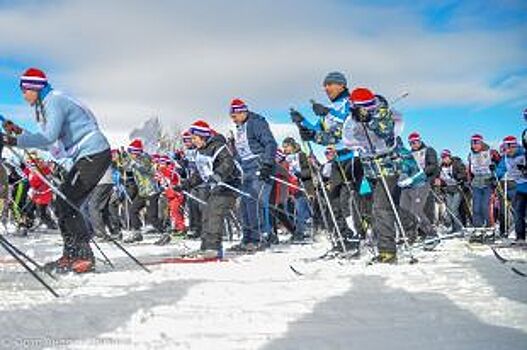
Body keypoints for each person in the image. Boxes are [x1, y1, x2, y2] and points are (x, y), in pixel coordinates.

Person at [1, 68, 111, 273]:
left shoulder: (53, 101)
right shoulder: (47, 103)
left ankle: (84, 256)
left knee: (67, 202)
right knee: (62, 203)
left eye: (24, 90)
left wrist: (11, 140)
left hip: (94, 154)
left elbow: (48, 138)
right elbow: (50, 145)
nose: (23, 95)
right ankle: (71, 254)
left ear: (34, 87)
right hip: (87, 155)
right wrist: (19, 133)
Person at [292, 71, 363, 253]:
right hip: (339, 160)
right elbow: (319, 132)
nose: (326, 88)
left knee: (356, 201)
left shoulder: (350, 102)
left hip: (356, 157)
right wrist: (303, 123)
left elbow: (353, 123)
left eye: (330, 84)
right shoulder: (327, 111)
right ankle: (344, 240)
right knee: (334, 202)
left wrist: (328, 111)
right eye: (325, 85)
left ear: (342, 85)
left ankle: (367, 236)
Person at [342, 87, 411, 263]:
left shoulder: (383, 112)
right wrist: (313, 134)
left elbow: (386, 131)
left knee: (381, 206)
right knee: (382, 206)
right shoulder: (353, 117)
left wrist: (370, 119)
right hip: (370, 168)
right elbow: (343, 136)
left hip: (388, 166)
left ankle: (388, 251)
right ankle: (407, 227)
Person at [178, 120, 240, 258]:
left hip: (228, 185)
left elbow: (227, 163)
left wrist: (218, 175)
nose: (193, 141)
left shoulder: (218, 146)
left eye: (195, 138)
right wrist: (185, 184)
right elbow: (200, 173)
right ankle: (206, 246)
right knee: (206, 211)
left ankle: (214, 248)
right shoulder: (200, 151)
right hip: (216, 187)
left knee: (214, 211)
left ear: (203, 136)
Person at [229, 98, 277, 251]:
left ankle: (260, 237)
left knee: (254, 202)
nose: (233, 119)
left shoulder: (256, 123)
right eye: (231, 116)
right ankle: (247, 237)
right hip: (246, 169)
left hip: (259, 165)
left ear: (243, 112)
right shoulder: (240, 128)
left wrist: (267, 163)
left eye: (235, 115)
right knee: (244, 204)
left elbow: (270, 143)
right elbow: (242, 152)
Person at [282, 137, 313, 242]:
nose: (285, 149)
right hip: (290, 188)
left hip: (302, 185)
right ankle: (299, 230)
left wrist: (301, 174)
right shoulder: (285, 158)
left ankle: (302, 231)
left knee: (302, 209)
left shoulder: (301, 155)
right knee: (294, 211)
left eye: (287, 146)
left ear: (293, 145)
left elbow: (310, 171)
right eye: (284, 147)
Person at [496, 136, 526, 243]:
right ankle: (520, 237)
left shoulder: (523, 154)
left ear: (515, 146)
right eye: (505, 148)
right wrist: (496, 175)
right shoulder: (505, 158)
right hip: (518, 188)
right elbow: (500, 169)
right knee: (518, 213)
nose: (507, 150)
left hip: (523, 185)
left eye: (509, 147)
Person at [467, 134, 499, 230]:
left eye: (477, 143)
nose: (474, 145)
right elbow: (469, 169)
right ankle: (478, 228)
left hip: (487, 181)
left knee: (485, 206)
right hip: (476, 182)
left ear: (482, 143)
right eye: (473, 143)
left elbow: (500, 163)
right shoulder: (470, 155)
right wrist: (469, 180)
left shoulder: (491, 152)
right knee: (476, 208)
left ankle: (490, 227)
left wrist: (495, 171)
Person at [435, 150, 467, 233]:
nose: (444, 159)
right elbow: (441, 178)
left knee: (454, 209)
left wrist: (457, 176)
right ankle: (454, 228)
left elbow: (464, 174)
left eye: (445, 157)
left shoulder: (456, 164)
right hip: (448, 190)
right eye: (442, 157)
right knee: (449, 210)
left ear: (449, 156)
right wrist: (440, 182)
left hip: (457, 189)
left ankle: (459, 228)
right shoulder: (441, 167)